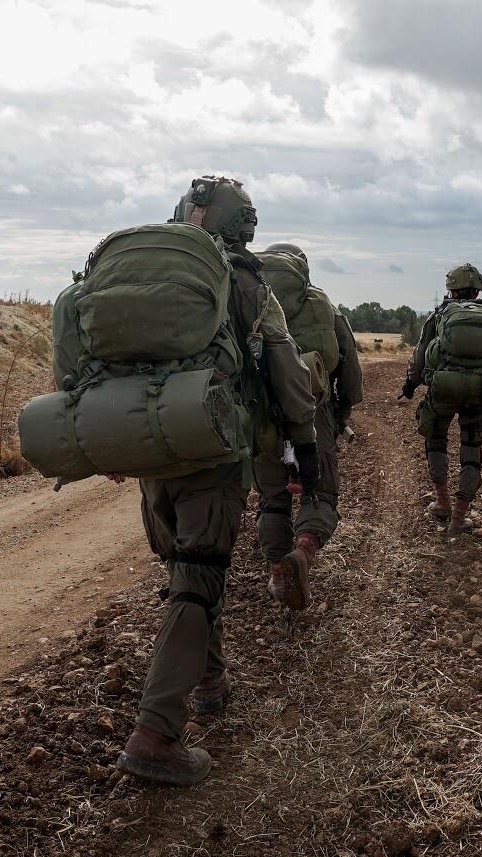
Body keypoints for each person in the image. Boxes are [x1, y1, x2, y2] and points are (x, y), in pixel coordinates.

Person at [116, 177, 318, 786]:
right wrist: (303, 449)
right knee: (199, 583)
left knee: (186, 572)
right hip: (213, 450)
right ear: (244, 225)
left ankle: (210, 683)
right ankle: (155, 735)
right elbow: (285, 372)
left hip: (152, 448)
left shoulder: (140, 276)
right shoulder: (248, 284)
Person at [253, 242, 363, 609]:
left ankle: (277, 573)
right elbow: (348, 369)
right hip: (312, 411)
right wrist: (340, 413)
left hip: (262, 415)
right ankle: (302, 552)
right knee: (321, 493)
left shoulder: (251, 302)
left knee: (272, 500)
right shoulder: (323, 307)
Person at [401, 262, 482, 533]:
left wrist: (410, 384)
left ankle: (442, 502)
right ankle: (460, 519)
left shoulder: (439, 316)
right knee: (471, 450)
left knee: (435, 439)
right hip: (477, 392)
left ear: (450, 290)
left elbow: (420, 355)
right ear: (476, 292)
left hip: (443, 390)